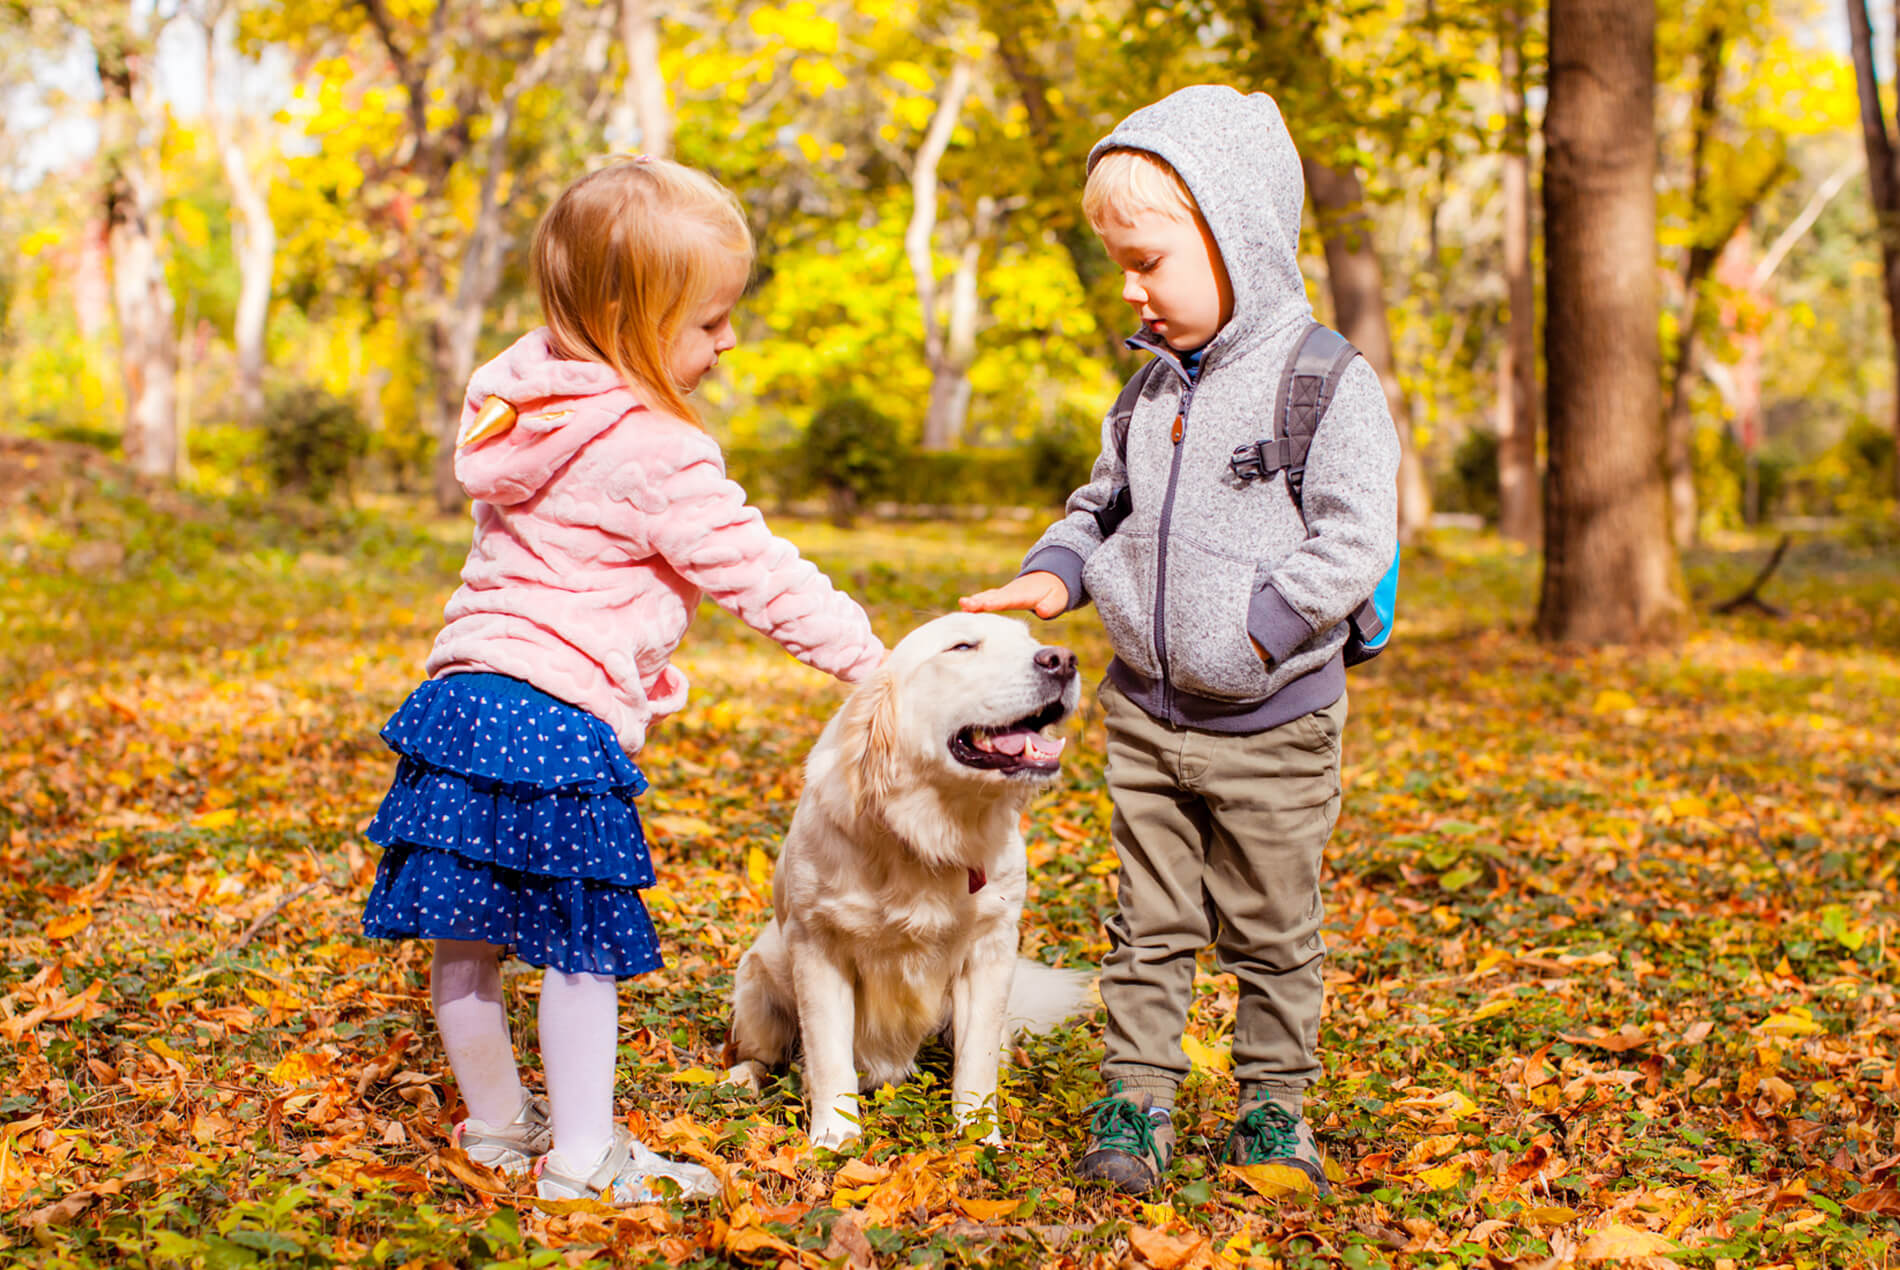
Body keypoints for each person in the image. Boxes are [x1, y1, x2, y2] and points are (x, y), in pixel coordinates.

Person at [360, 155, 886, 1205]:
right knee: (574, 943)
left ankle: (500, 1124)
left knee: (465, 942)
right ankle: (583, 1158)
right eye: (709, 320)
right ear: (629, 317)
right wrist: (877, 666)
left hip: (458, 697)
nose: (727, 339)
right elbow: (758, 572)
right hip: (554, 715)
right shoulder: (654, 448)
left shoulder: (522, 406)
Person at [961, 86, 1399, 1196]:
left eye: (1148, 260)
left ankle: (1271, 1106)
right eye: (1119, 262)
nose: (1129, 288)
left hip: (1273, 725)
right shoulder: (1144, 388)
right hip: (1147, 720)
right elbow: (1099, 502)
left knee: (1270, 927)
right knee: (1146, 923)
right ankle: (1137, 1097)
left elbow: (1355, 539)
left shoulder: (1323, 384)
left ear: (1236, 233)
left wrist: (1256, 633)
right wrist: (1052, 574)